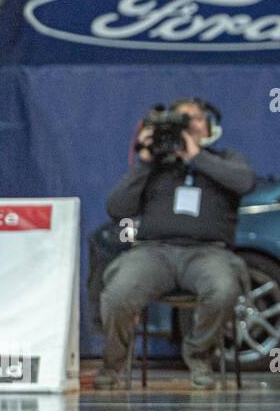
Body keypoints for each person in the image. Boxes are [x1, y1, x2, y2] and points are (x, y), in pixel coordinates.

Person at [97, 98, 257, 390]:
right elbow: (117, 208)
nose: (187, 126)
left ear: (209, 126)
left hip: (208, 253)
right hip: (153, 252)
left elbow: (244, 183)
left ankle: (199, 355)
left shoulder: (226, 159)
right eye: (180, 120)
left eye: (193, 119)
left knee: (223, 289)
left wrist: (196, 156)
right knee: (117, 294)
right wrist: (144, 160)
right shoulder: (154, 167)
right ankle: (113, 366)